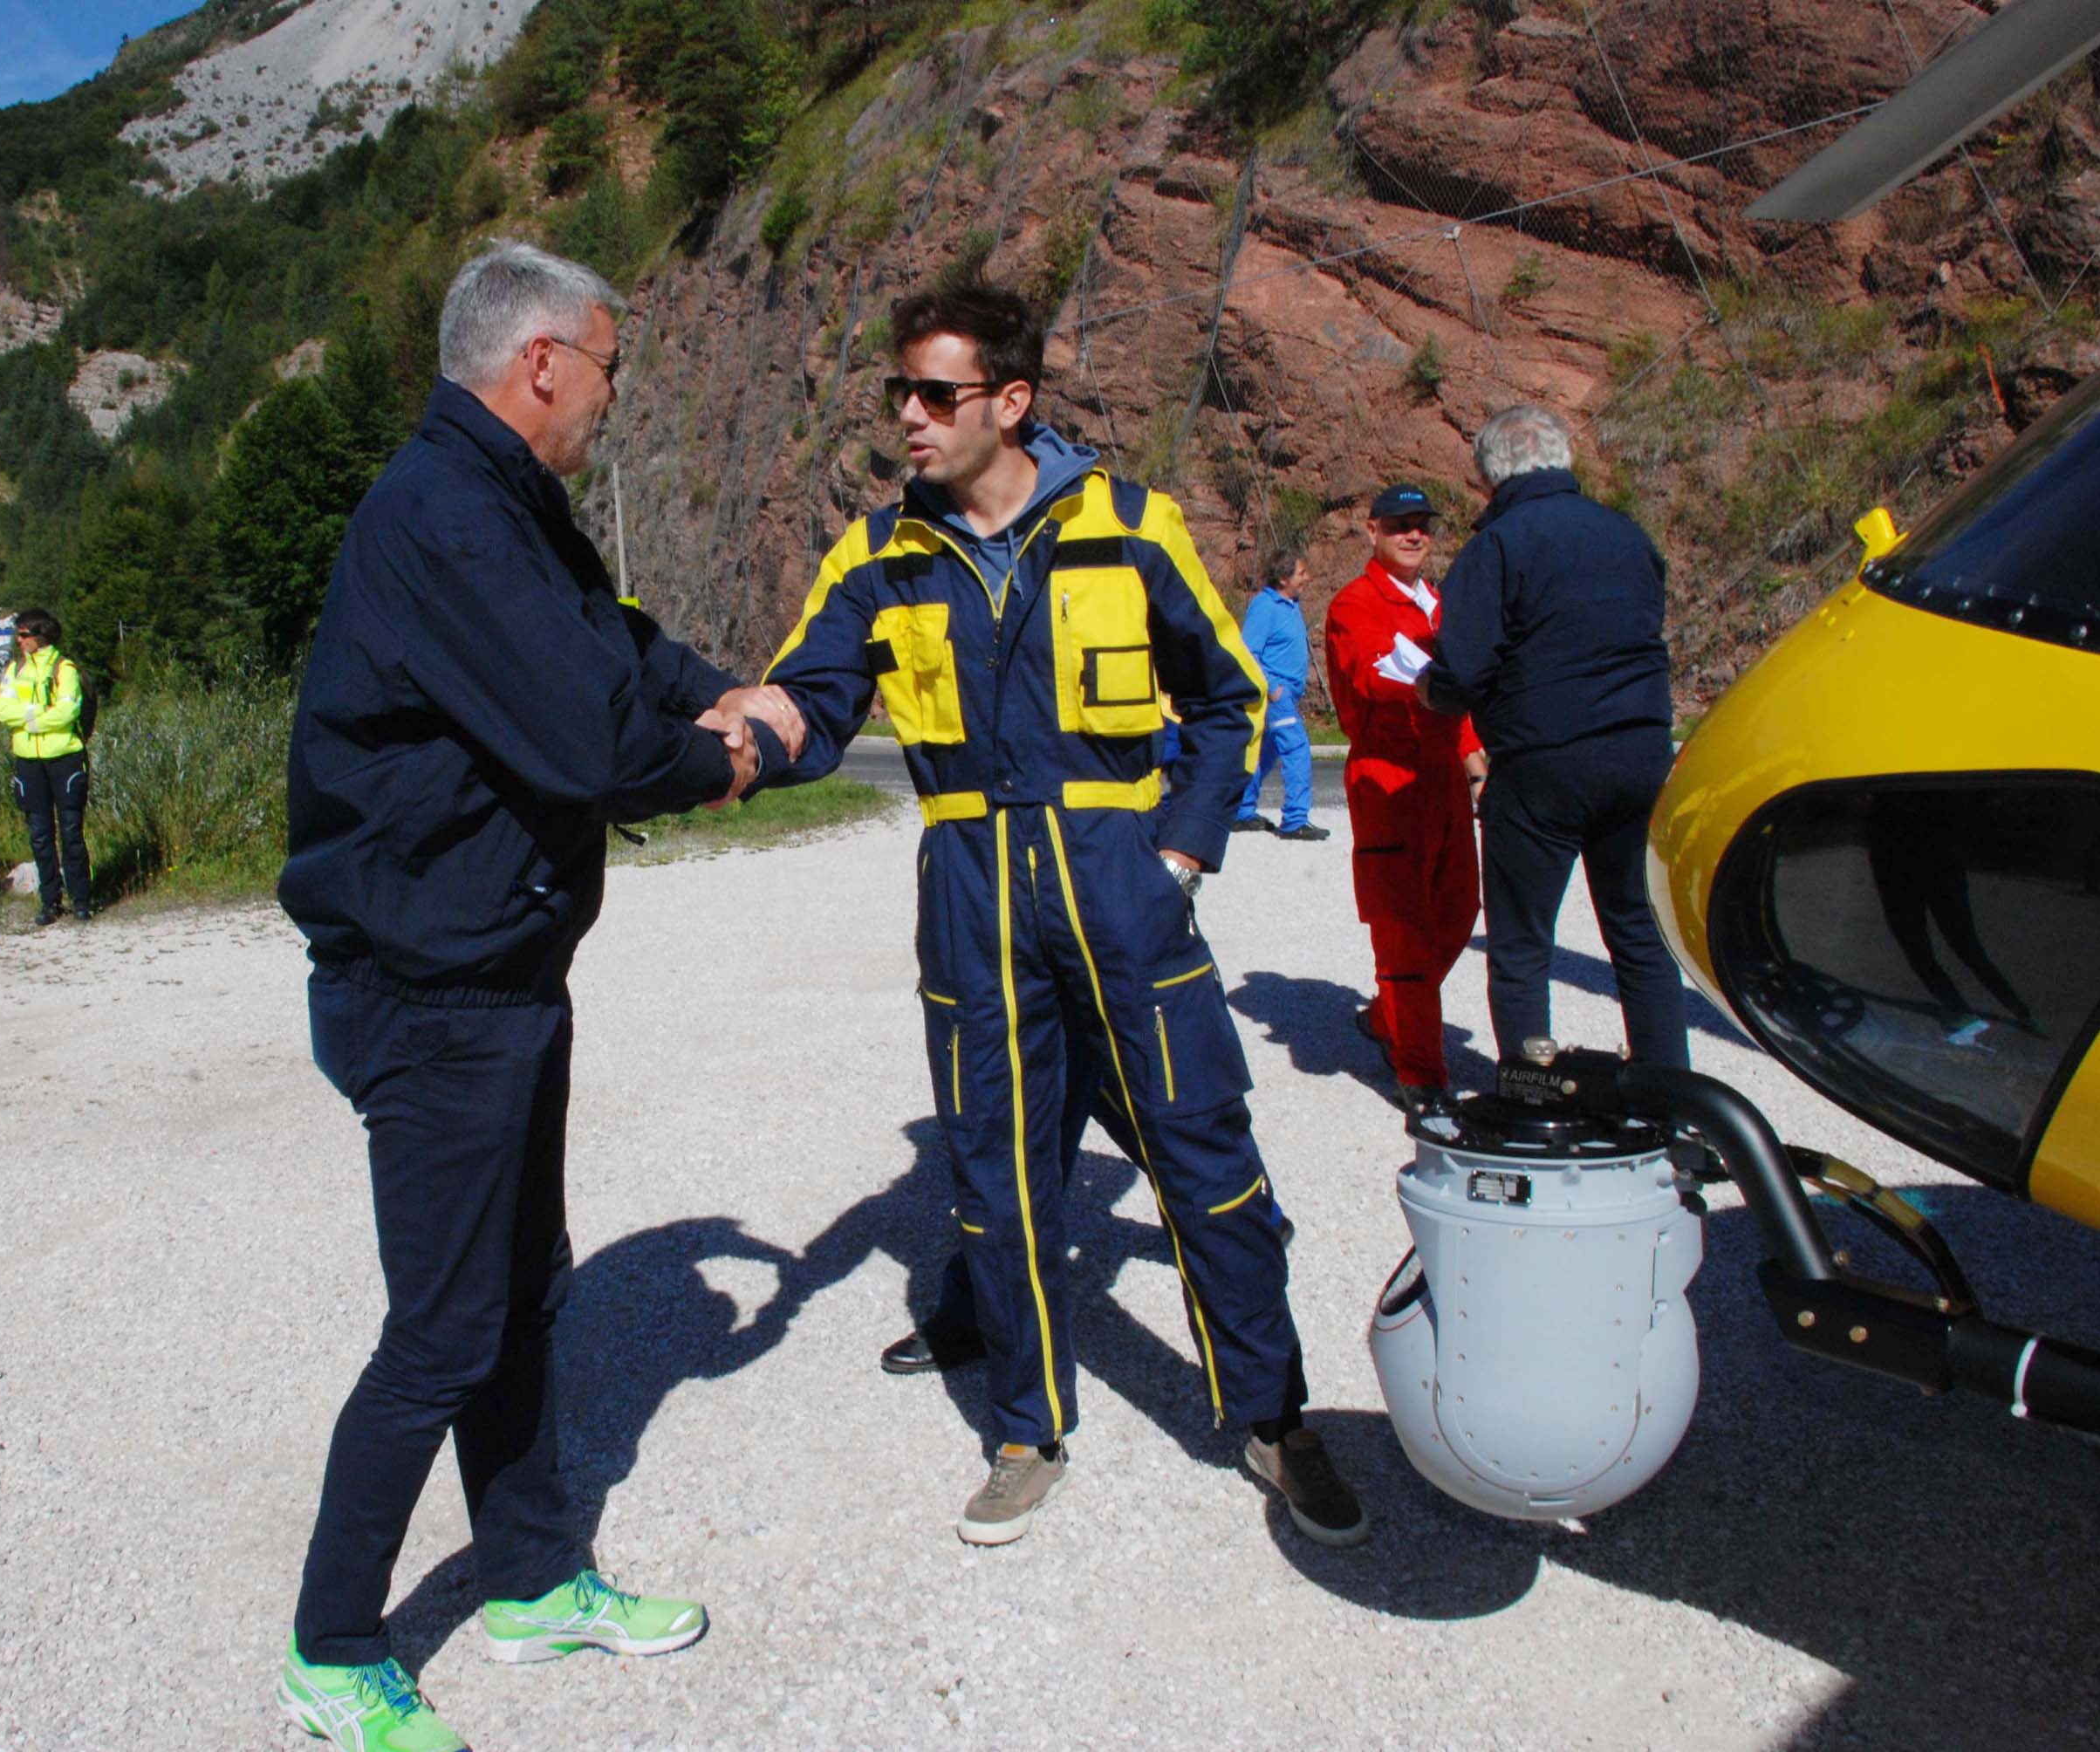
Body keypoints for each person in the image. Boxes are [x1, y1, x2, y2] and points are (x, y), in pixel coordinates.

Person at [272, 241, 797, 1752]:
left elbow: (614, 649)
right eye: (613, 367)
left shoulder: (509, 504)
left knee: (519, 1296)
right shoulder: (441, 515)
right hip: (427, 990)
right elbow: (594, 744)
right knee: (441, 1328)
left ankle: (531, 1578)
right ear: (542, 362)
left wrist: (726, 680)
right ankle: (331, 1644)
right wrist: (738, 755)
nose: (617, 398)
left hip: (498, 973)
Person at [753, 281, 1367, 1550]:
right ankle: (1028, 1431)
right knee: (997, 1166)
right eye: (899, 396)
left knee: (1204, 1151)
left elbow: (1229, 702)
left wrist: (1184, 856)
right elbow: (810, 695)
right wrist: (736, 736)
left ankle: (1272, 1415)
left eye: (936, 394)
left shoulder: (1130, 528)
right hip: (971, 892)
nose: (908, 420)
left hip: (1120, 884)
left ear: (1010, 402)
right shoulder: (878, 555)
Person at [1415, 405, 1689, 1069]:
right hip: (1642, 747)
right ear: (1564, 459)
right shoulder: (1627, 535)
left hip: (1546, 759)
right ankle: (1667, 1094)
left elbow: (1465, 670)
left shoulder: (1500, 545)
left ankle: (1529, 1091)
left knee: (1523, 942)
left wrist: (1427, 686)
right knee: (1637, 931)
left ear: (1488, 476)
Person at [1324, 484, 1488, 1110]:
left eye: (1422, 525)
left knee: (1459, 911)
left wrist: (1474, 758)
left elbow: (1460, 697)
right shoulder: (1354, 604)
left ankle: (1392, 1016)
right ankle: (1420, 1073)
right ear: (1373, 531)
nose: (1415, 534)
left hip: (1442, 775)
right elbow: (1373, 674)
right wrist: (1435, 668)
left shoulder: (1440, 602)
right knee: (1404, 931)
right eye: (1401, 525)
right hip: (1389, 777)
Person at [0, 608, 92, 926]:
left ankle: (81, 899)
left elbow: (67, 712)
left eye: (23, 635)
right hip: (29, 762)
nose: (18, 640)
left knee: (71, 832)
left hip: (65, 758)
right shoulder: (14, 670)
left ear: (40, 636)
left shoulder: (65, 669)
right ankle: (50, 901)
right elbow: (2, 710)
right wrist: (39, 716)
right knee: (39, 833)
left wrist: (28, 720)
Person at [1230, 547, 1327, 839]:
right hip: (1276, 698)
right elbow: (1248, 651)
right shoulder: (1264, 606)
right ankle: (1296, 820)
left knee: (1262, 754)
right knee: (1296, 748)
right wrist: (1273, 688)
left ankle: (1242, 812)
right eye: (1301, 574)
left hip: (1287, 695)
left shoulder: (1290, 604)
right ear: (1283, 578)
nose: (1307, 579)